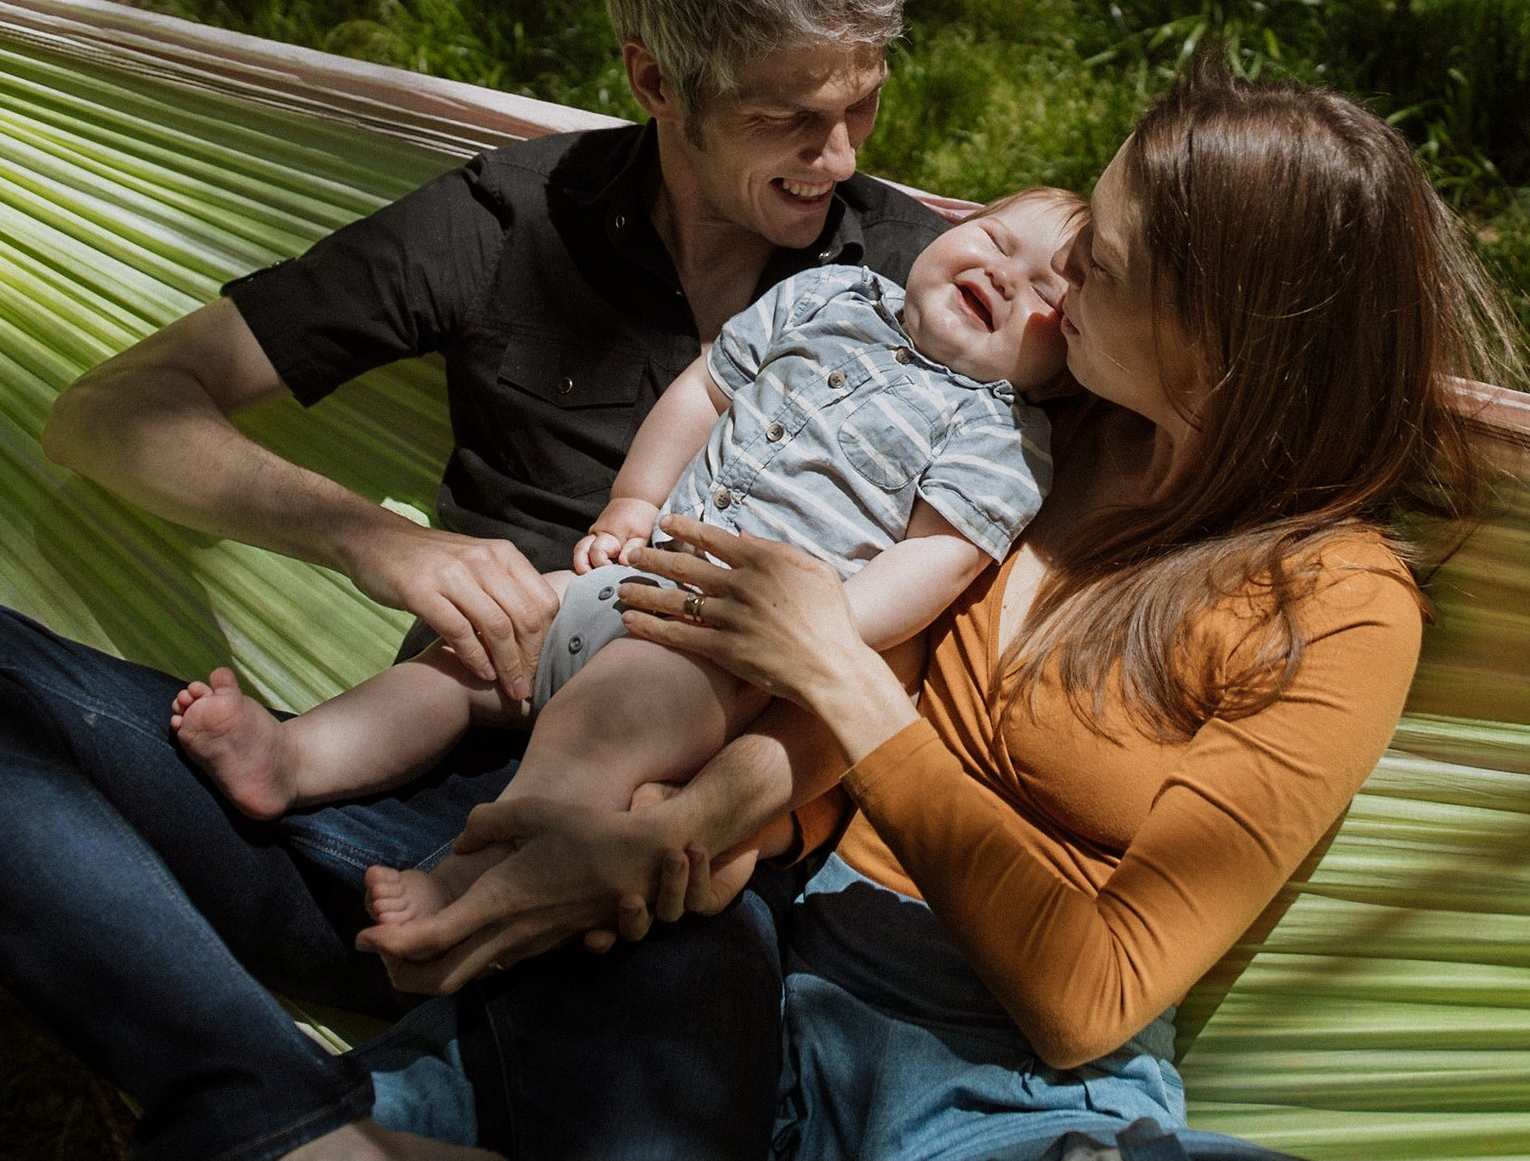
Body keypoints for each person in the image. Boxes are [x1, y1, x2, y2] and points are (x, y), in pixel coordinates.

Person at [0, 0, 955, 1161]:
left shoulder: (932, 287)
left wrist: (706, 816)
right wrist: (375, 539)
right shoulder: (507, 223)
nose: (842, 152)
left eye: (862, 101)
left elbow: (956, 627)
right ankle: (282, 1113)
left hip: (647, 868)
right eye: (789, 118)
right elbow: (112, 409)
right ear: (651, 78)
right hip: (374, 802)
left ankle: (360, 1099)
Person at [367, 65, 1525, 1160]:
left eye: (1100, 270)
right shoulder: (1037, 425)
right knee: (382, 1102)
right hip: (778, 956)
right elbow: (888, 663)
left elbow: (1091, 995)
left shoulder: (1336, 605)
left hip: (1007, 1073)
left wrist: (829, 665)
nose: (1057, 284)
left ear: (1220, 346)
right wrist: (690, 828)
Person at [170, 189, 1080, 934]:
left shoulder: (999, 430)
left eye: (1046, 292)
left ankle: (472, 879)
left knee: (595, 729)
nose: (1006, 272)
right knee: (468, 655)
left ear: (1060, 365)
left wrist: (821, 634)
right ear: (946, 228)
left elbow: (936, 558)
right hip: (631, 577)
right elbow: (703, 392)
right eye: (996, 237)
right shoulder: (830, 296)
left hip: (724, 652)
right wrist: (634, 500)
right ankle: (296, 754)